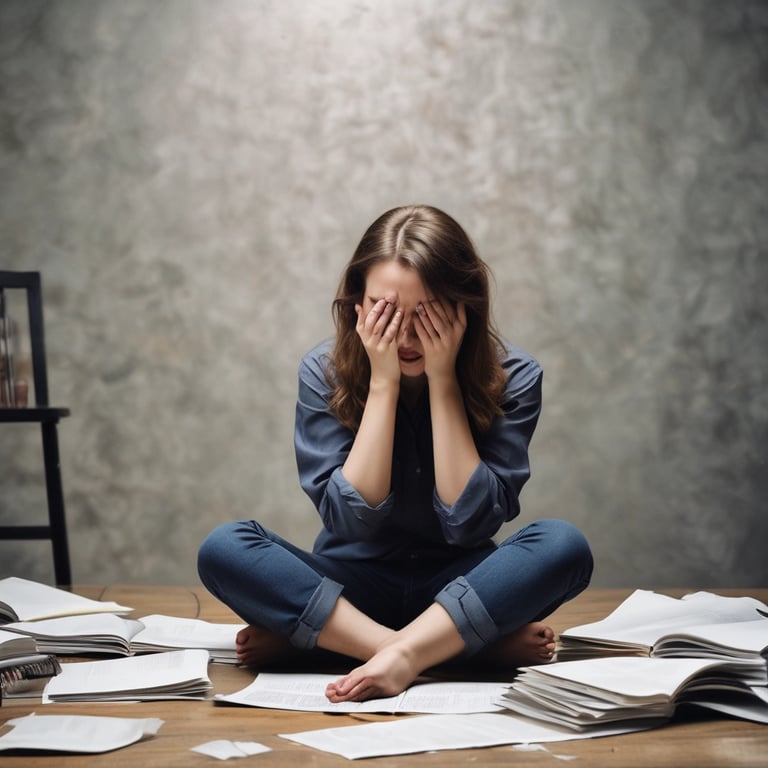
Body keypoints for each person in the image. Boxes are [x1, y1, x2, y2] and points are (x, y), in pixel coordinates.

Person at [197, 204, 593, 703]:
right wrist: (382, 383)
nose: (405, 338)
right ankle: (427, 650)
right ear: (357, 307)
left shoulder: (515, 376)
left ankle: (335, 645)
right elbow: (349, 523)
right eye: (386, 314)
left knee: (564, 546)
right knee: (224, 547)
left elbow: (470, 523)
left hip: (465, 585)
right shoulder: (324, 371)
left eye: (425, 316)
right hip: (349, 586)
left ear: (463, 307)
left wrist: (443, 381)